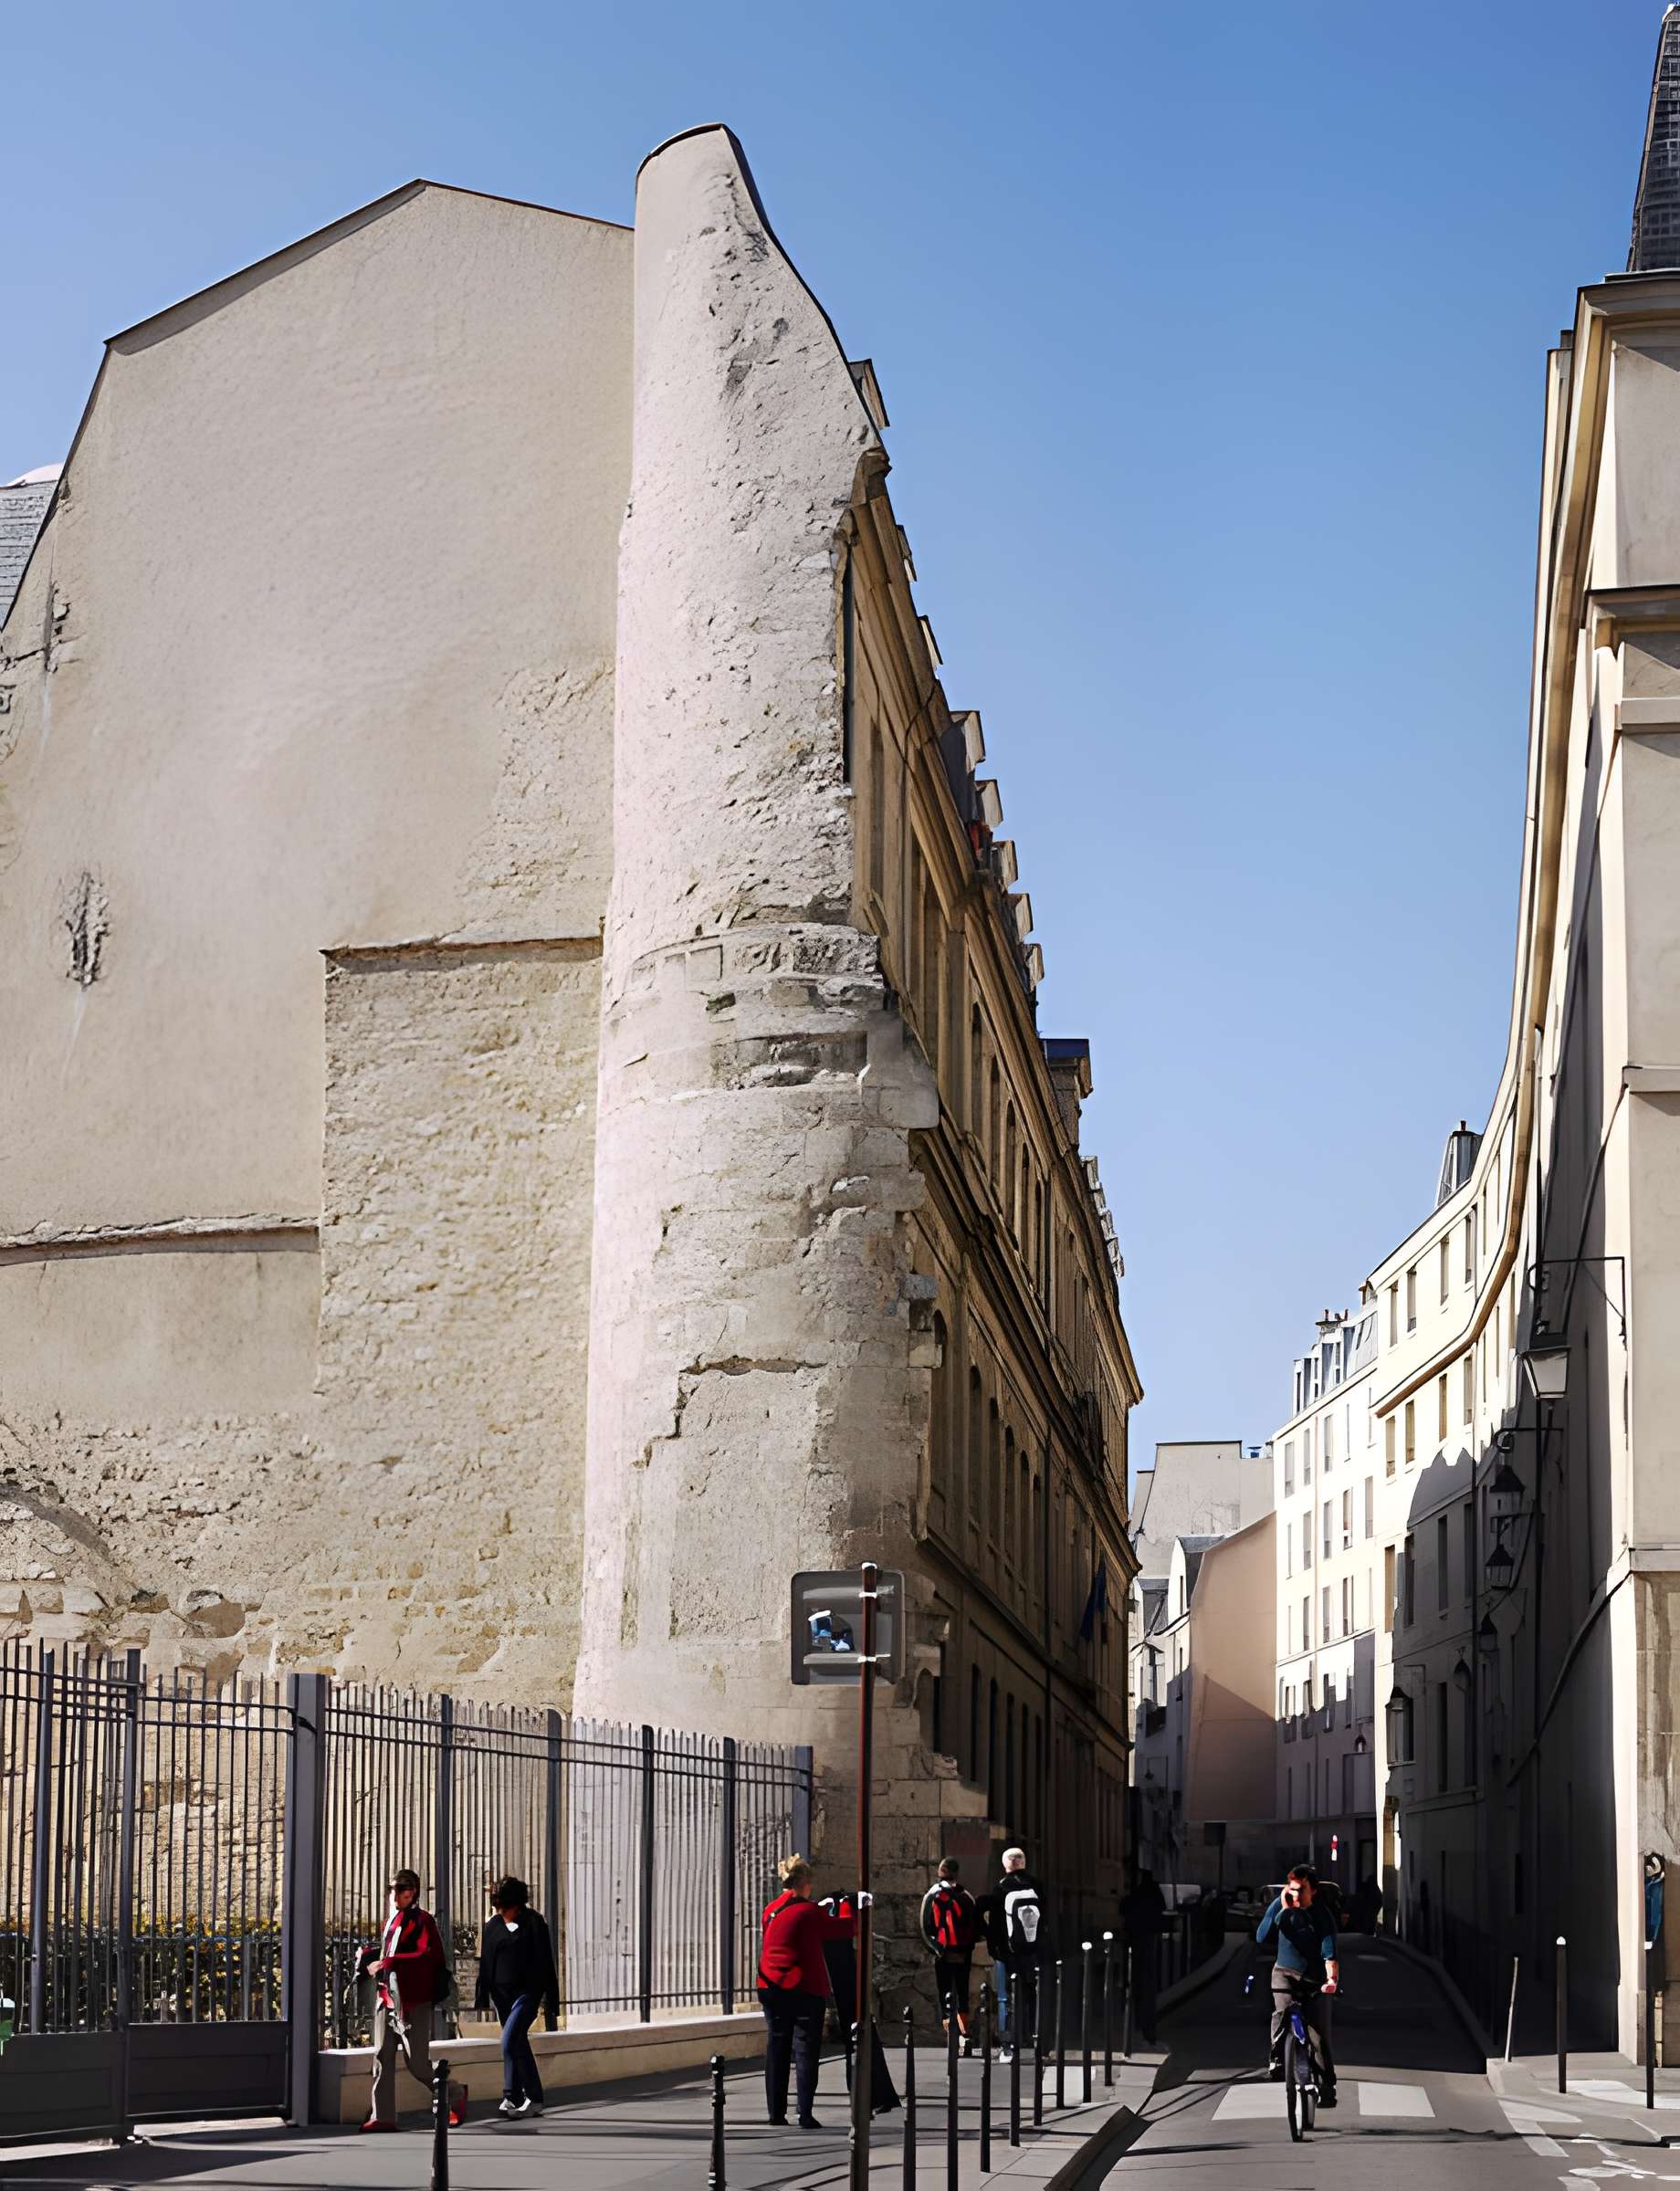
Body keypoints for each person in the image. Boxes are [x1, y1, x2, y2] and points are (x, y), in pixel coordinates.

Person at [758, 1855, 859, 2130]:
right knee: (805, 2051)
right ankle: (805, 2113)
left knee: (777, 2049)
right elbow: (845, 1928)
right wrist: (849, 1906)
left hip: (770, 1985)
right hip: (804, 1988)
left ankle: (776, 2113)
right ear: (805, 1882)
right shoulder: (809, 1911)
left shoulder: (770, 1910)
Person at [360, 1867, 452, 2130]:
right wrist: (370, 1956)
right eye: (392, 1888)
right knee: (381, 2055)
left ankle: (453, 2094)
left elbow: (426, 1955)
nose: (394, 1893)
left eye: (401, 1888)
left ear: (413, 1892)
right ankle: (383, 2115)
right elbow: (390, 1950)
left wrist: (389, 1961)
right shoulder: (391, 1921)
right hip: (386, 1996)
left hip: (414, 2000)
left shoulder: (424, 1921)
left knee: (418, 2063)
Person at [473, 1874, 560, 2119]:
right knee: (516, 2041)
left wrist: (549, 1995)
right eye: (499, 1908)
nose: (503, 1913)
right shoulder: (493, 1925)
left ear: (517, 1905)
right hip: (502, 1995)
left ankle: (531, 2096)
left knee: (510, 2040)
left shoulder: (534, 1923)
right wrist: (484, 1994)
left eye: (506, 1908)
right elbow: (487, 1962)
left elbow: (545, 1962)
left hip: (527, 1993)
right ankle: (514, 2096)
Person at [1255, 1864, 1339, 2107]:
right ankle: (1277, 2060)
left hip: (1313, 1978)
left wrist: (1331, 1980)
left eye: (1302, 1890)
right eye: (1292, 1889)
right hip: (1284, 1972)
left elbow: (1329, 1953)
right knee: (1281, 2012)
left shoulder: (1322, 1916)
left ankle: (1327, 2086)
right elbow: (1261, 1937)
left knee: (1318, 2035)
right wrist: (1282, 1907)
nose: (1296, 1894)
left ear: (1313, 1891)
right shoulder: (1282, 1905)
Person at [818, 1889, 899, 2115]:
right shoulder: (836, 1917)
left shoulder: (825, 1913)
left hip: (844, 1989)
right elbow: (849, 1927)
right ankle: (867, 2096)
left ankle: (868, 2095)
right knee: (860, 2042)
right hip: (848, 1990)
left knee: (858, 2043)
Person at [981, 1847, 1046, 2061]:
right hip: (1030, 1951)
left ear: (1005, 1865)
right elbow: (1043, 1920)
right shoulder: (1036, 1886)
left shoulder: (1001, 1888)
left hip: (1005, 1953)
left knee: (1004, 1998)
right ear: (1024, 1862)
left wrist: (992, 1943)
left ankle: (1007, 2045)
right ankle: (1033, 2040)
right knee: (1031, 1994)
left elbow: (993, 1921)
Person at [919, 1858, 982, 2056]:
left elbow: (924, 1925)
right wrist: (968, 1948)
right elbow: (977, 1927)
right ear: (957, 1873)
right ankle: (965, 2034)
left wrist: (936, 1949)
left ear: (941, 1872)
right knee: (962, 1993)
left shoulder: (932, 1894)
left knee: (944, 1994)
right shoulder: (966, 1896)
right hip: (963, 1953)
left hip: (943, 1953)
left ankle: (951, 2037)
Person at [1118, 1867, 1167, 2047]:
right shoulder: (1152, 1892)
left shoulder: (1137, 1894)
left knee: (1137, 1986)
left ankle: (1141, 2027)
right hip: (1147, 1940)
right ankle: (1146, 2029)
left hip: (1137, 1941)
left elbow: (1123, 1909)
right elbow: (1162, 1909)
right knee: (1146, 1987)